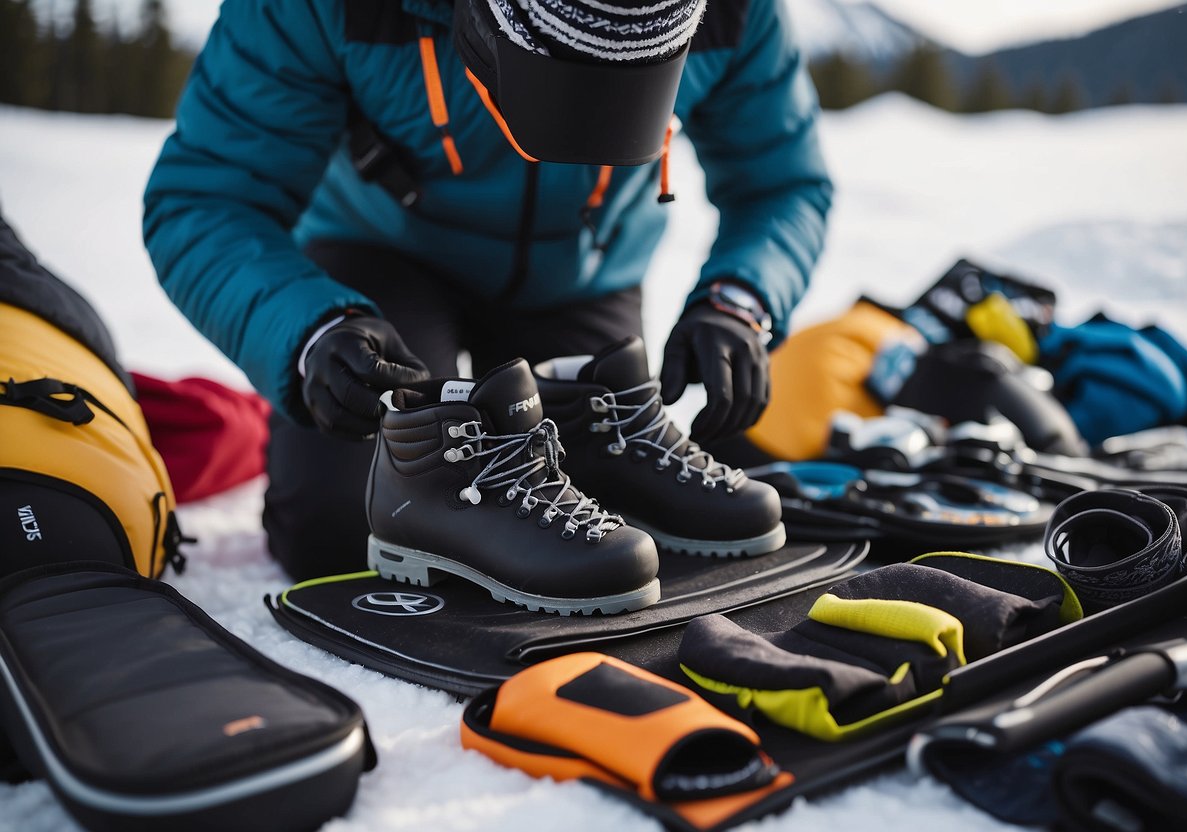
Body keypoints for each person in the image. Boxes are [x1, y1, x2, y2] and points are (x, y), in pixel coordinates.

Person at [143, 0, 832, 580]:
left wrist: (740, 300)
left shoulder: (739, 10)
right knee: (356, 524)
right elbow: (205, 197)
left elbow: (782, 182)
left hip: (582, 276)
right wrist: (308, 330)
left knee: (601, 527)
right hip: (382, 262)